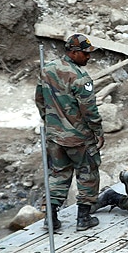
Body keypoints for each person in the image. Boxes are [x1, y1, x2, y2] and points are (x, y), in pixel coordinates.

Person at [36, 33, 105, 231]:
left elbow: (40, 99)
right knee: (87, 173)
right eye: (85, 53)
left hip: (55, 136)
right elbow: (89, 109)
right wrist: (98, 131)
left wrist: (50, 121)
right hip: (78, 138)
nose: (88, 57)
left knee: (58, 174)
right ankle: (83, 218)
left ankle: (51, 217)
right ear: (74, 53)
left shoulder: (47, 70)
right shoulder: (80, 77)